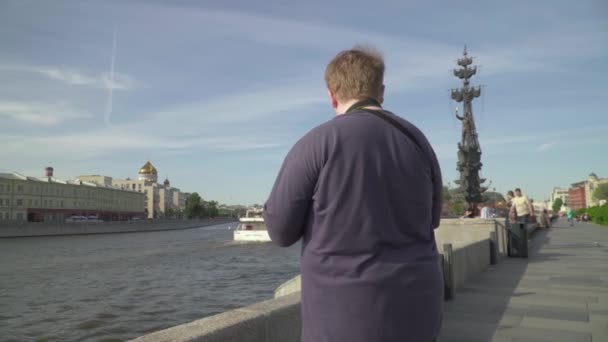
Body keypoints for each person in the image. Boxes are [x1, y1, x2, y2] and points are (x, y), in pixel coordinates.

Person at [264, 46, 444, 342]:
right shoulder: (418, 141)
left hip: (342, 318)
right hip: (419, 311)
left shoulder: (316, 143)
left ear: (332, 94)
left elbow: (280, 232)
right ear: (381, 91)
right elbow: (433, 219)